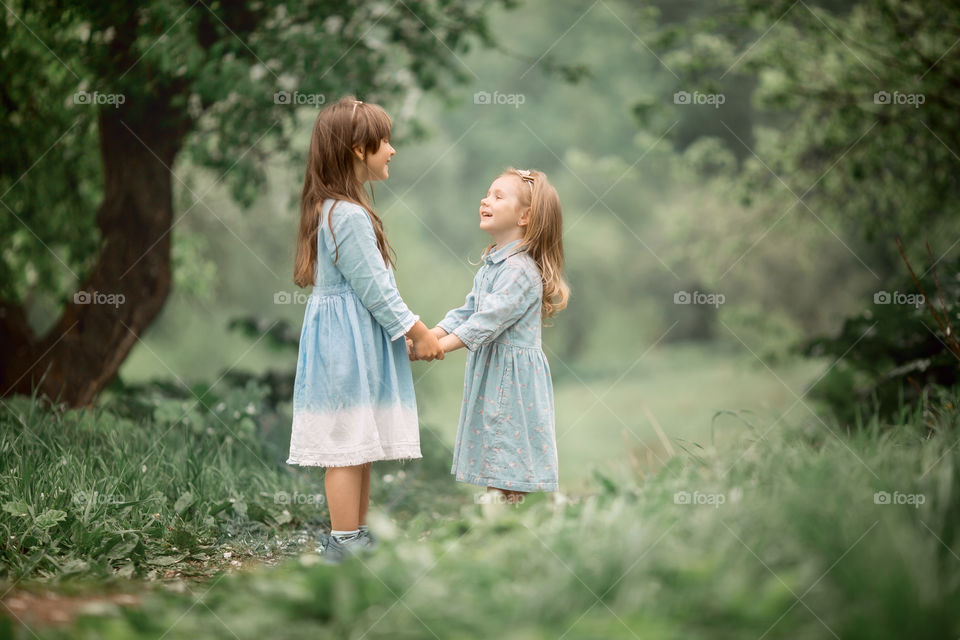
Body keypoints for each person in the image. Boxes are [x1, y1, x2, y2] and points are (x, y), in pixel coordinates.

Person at [288, 96, 443, 563]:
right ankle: (344, 542)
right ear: (359, 149)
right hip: (345, 346)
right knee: (345, 445)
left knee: (360, 441)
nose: (392, 150)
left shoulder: (334, 209)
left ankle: (356, 533)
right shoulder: (347, 215)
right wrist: (418, 331)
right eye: (385, 141)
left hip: (350, 340)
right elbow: (376, 291)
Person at [416, 167, 570, 504]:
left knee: (507, 451)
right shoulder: (494, 264)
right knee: (498, 451)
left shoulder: (519, 271)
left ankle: (509, 520)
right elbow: (467, 312)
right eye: (487, 194)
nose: (486, 200)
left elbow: (485, 322)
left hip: (512, 381)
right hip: (495, 373)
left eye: (499, 196)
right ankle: (506, 520)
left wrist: (438, 348)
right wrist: (429, 335)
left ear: (525, 216)